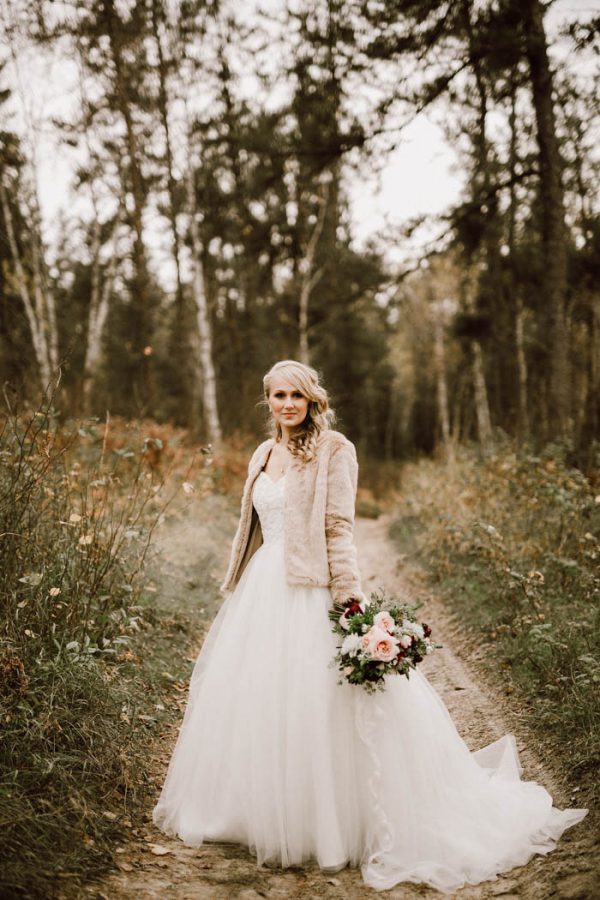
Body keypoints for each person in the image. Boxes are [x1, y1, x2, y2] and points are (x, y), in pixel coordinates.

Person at [152, 359, 588, 894]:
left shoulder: (337, 451)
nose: (288, 404)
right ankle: (256, 811)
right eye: (279, 395)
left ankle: (337, 822)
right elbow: (254, 530)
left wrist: (350, 603)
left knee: (323, 704)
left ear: (314, 400)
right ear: (267, 400)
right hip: (262, 591)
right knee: (263, 701)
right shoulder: (263, 453)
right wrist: (236, 582)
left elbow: (338, 528)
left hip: (312, 589)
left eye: (298, 395)